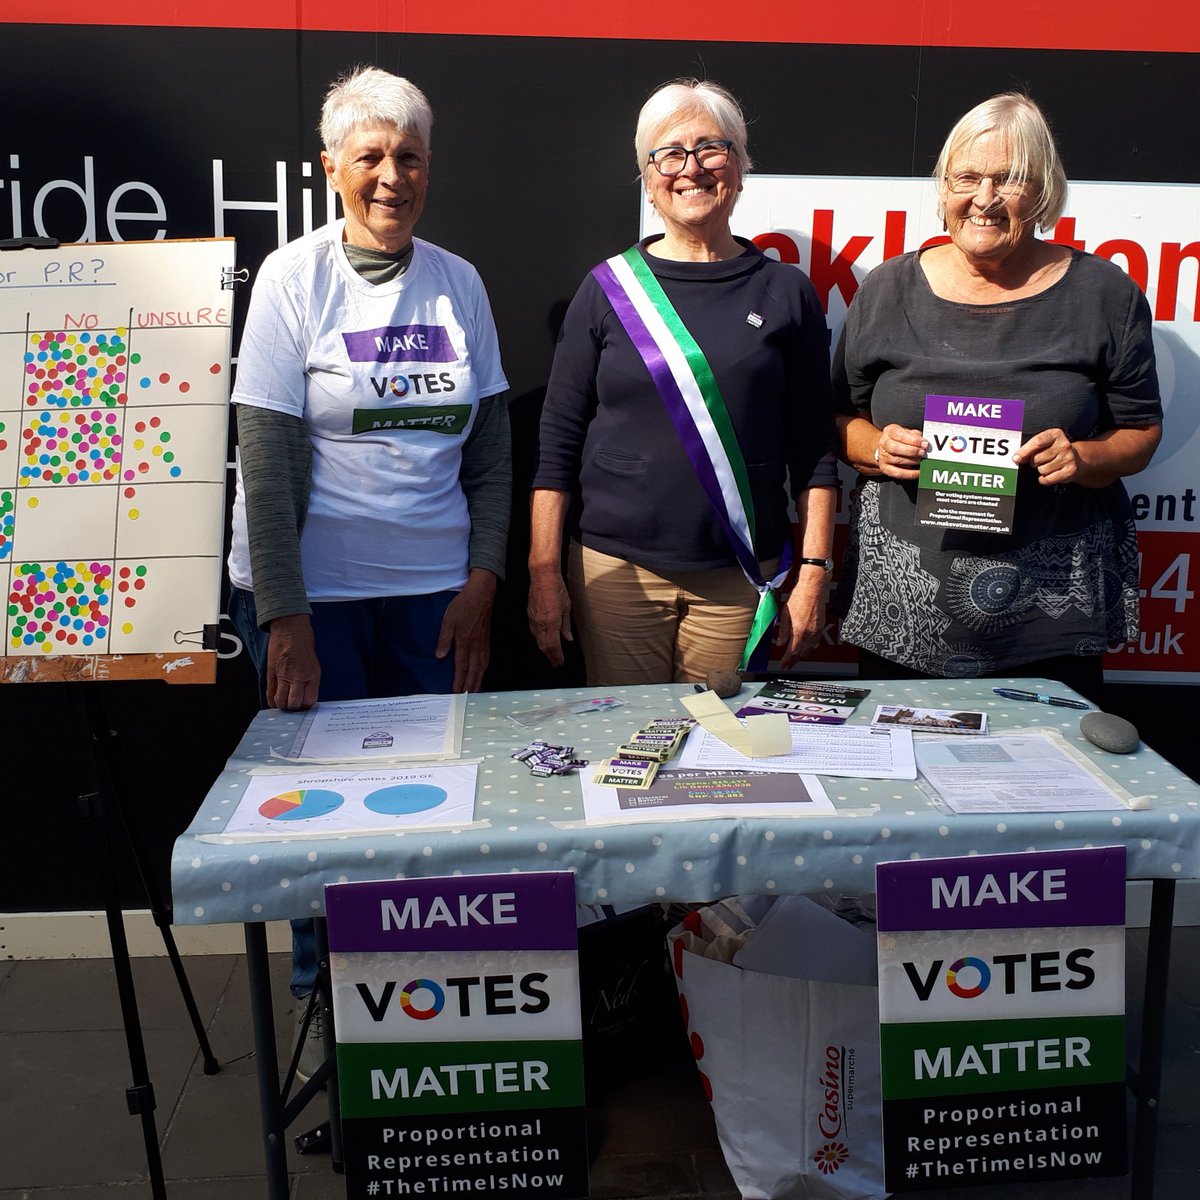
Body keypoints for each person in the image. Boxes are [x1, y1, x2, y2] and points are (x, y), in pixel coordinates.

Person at [225, 66, 510, 1075]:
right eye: (373, 156)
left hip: (434, 600)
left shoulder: (459, 281)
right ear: (332, 167)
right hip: (321, 601)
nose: (394, 175)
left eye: (411, 156)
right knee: (320, 822)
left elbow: (489, 451)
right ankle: (321, 1016)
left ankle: (422, 1007)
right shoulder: (291, 279)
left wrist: (482, 582)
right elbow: (264, 455)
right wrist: (286, 618)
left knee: (430, 804)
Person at [832, 93, 1162, 696]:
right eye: (967, 177)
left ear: (1042, 193)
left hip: (1052, 610)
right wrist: (879, 447)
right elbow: (837, 418)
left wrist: (1084, 459)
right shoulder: (886, 289)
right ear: (944, 186)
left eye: (1008, 179)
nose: (983, 198)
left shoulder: (1105, 294)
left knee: (1048, 782)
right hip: (903, 609)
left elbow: (1141, 432)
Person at [529, 79, 838, 685]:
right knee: (626, 750)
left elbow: (815, 451)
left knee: (719, 751)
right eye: (670, 153)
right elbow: (557, 444)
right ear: (647, 174)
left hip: (737, 575)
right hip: (615, 574)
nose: (690, 168)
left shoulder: (786, 292)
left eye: (711, 149)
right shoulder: (607, 290)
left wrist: (814, 570)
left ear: (741, 167)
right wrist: (544, 571)